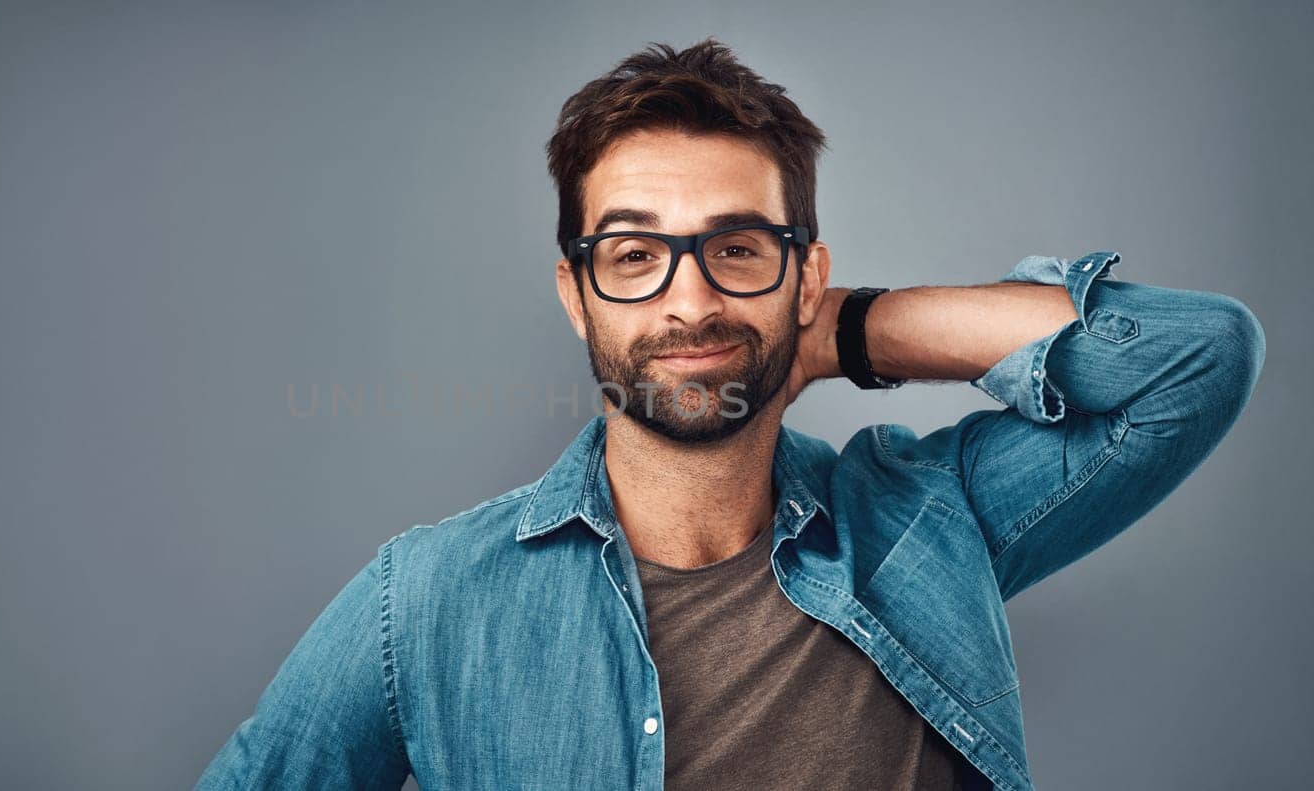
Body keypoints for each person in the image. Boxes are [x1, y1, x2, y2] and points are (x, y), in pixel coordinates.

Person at [195, 38, 1265, 791]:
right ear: (575, 297)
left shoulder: (934, 524)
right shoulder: (422, 600)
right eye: (633, 255)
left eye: (736, 249)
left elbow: (1197, 357)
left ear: (804, 278)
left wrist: (849, 332)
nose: (690, 298)